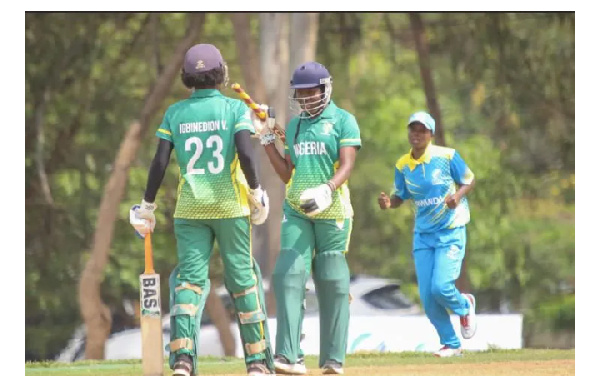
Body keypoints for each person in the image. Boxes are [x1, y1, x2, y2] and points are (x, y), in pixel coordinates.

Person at [129, 43, 274, 376]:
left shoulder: (175, 113)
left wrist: (148, 205)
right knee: (242, 280)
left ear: (186, 78)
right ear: (222, 73)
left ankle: (182, 360)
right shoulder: (234, 110)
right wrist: (256, 192)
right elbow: (247, 154)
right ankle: (256, 363)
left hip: (190, 210)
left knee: (189, 283)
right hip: (230, 207)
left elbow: (160, 161)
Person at [253, 61, 361, 375]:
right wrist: (266, 139)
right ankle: (289, 355)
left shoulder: (344, 120)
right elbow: (287, 173)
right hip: (297, 209)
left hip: (333, 210)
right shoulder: (297, 125)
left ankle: (333, 358)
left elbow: (347, 164)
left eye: (310, 91)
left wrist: (328, 188)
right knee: (288, 272)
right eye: (299, 92)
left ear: (325, 89)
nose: (305, 97)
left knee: (332, 278)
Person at [377, 111, 477, 357]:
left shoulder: (447, 156)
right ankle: (451, 344)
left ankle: (465, 306)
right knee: (427, 298)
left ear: (430, 134)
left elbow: (469, 179)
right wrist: (390, 203)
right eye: (413, 129)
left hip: (450, 230)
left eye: (422, 130)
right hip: (423, 235)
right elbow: (401, 195)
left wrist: (456, 196)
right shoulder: (403, 165)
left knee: (441, 287)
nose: (417, 134)